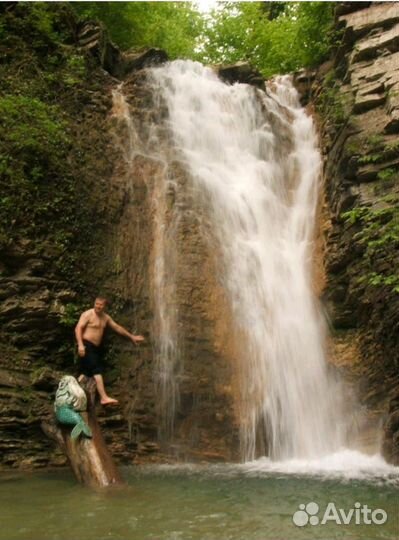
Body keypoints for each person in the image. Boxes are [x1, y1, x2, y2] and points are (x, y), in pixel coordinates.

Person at [75, 296, 144, 405]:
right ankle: (104, 398)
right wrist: (80, 345)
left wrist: (132, 337)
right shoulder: (88, 314)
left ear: (105, 306)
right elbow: (78, 328)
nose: (98, 306)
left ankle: (76, 395)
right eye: (96, 303)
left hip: (96, 348)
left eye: (100, 304)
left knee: (86, 373)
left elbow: (117, 328)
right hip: (86, 345)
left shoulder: (105, 318)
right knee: (97, 370)